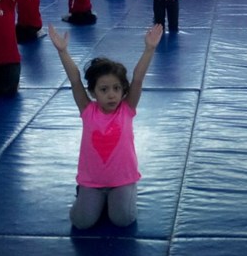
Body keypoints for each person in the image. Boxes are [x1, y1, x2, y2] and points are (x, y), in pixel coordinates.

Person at [49, 22, 164, 229]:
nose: (111, 95)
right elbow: (75, 81)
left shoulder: (127, 109)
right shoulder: (88, 110)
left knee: (123, 219)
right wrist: (63, 51)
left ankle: (121, 196)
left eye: (116, 88)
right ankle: (90, 197)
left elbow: (138, 79)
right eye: (104, 90)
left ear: (123, 90)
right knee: (81, 222)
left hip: (121, 180)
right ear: (93, 92)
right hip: (92, 181)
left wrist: (149, 49)